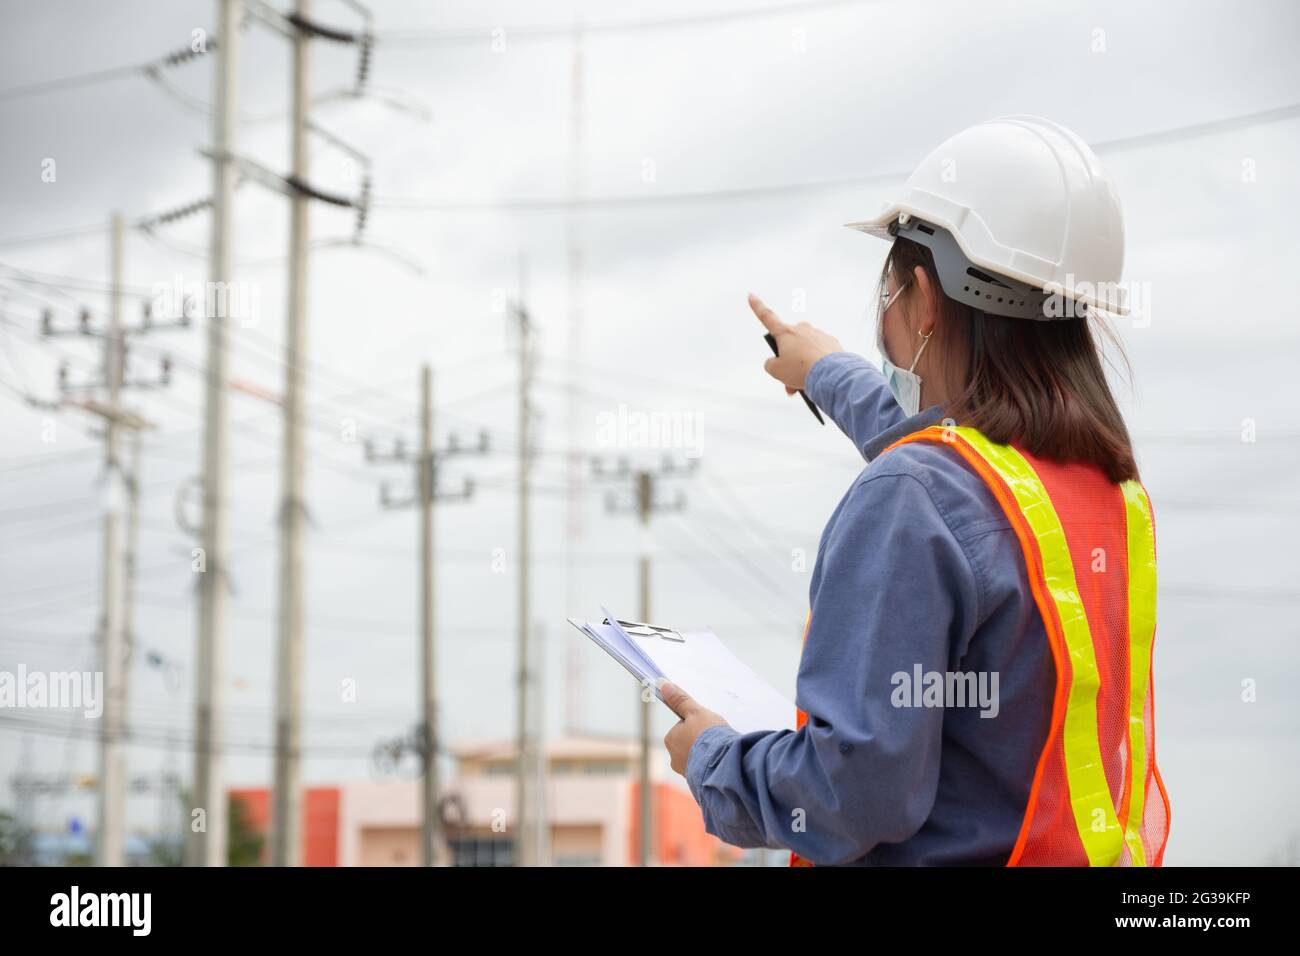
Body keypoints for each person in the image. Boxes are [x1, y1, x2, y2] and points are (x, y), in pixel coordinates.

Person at [660, 116, 1170, 867]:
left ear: (925, 299)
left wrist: (712, 760)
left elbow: (851, 794)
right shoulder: (1107, 494)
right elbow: (958, 482)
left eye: (891, 293)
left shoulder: (914, 495)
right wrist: (825, 372)